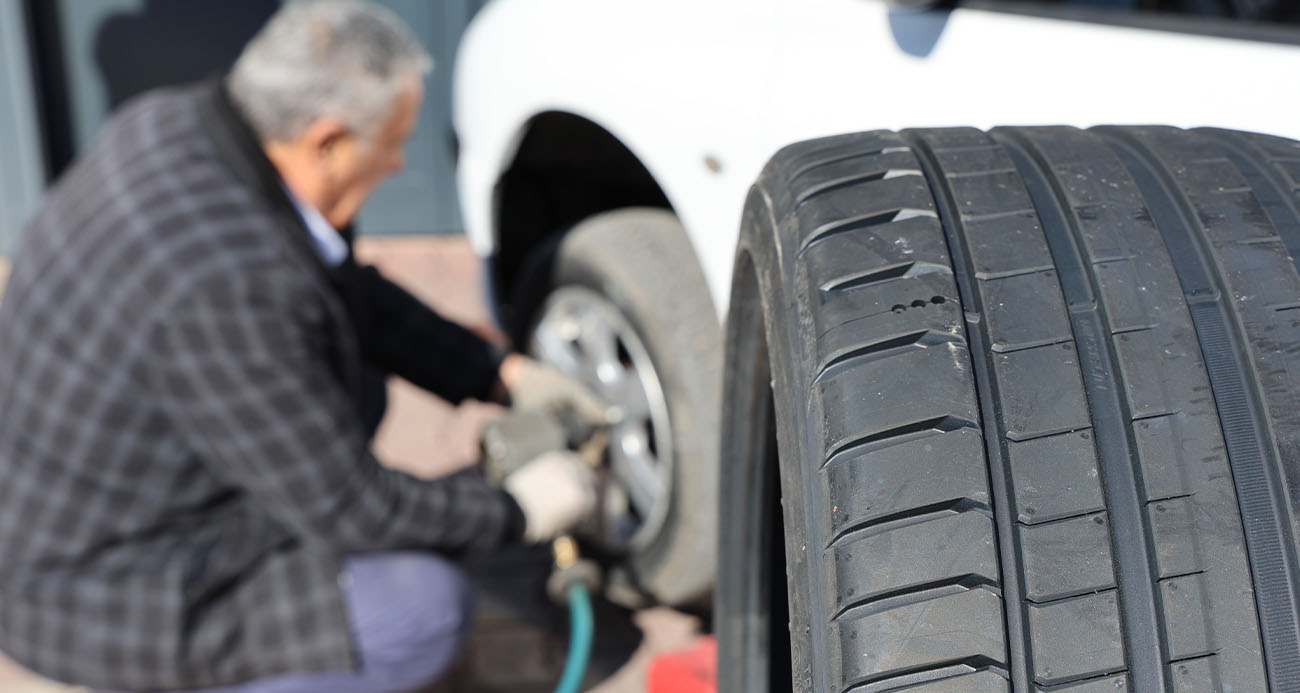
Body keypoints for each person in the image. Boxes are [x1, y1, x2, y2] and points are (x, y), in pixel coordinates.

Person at [0, 2, 601, 690]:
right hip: (103, 592)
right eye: (393, 143)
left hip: (91, 494)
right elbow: (356, 508)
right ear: (327, 141)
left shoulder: (180, 125)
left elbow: (345, 288)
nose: (403, 162)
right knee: (421, 607)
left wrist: (499, 374)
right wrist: (515, 508)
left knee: (352, 382)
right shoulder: (225, 281)